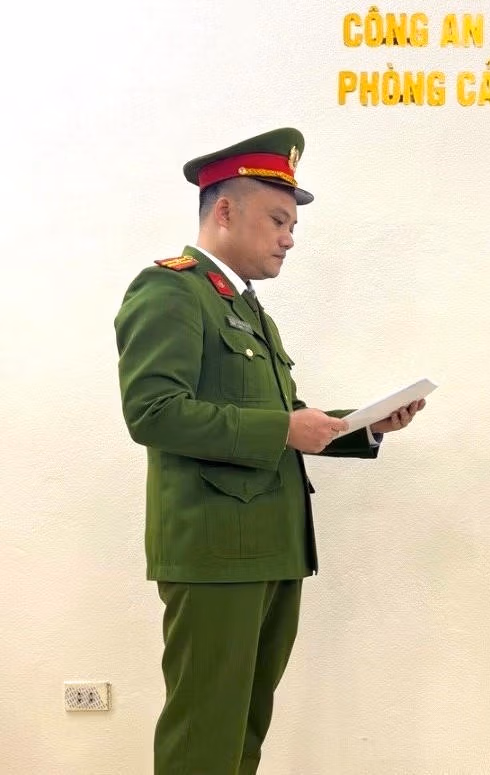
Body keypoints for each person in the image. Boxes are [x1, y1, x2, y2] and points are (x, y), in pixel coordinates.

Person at [114, 127, 426, 774]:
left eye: (292, 225)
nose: (289, 238)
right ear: (225, 211)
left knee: (244, 732)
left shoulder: (248, 310)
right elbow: (153, 412)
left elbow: (280, 417)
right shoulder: (171, 291)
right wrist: (284, 429)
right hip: (214, 550)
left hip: (271, 545)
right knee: (204, 736)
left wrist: (367, 426)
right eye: (278, 220)